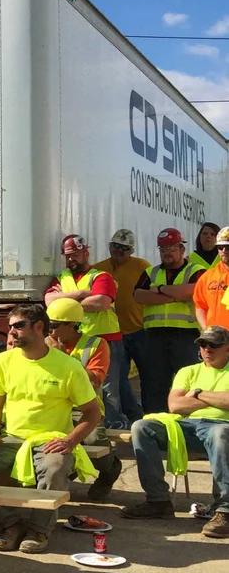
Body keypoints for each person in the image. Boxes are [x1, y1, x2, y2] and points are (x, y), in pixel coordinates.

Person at [0, 304, 101, 553]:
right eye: (10, 326)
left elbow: (92, 412)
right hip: (12, 439)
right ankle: (10, 525)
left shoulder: (68, 366)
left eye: (18, 326)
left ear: (39, 327)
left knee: (55, 466)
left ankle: (39, 530)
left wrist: (69, 441)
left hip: (51, 440)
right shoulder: (4, 360)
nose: (11, 332)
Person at [122, 325, 229, 537]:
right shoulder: (188, 371)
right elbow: (175, 405)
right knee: (142, 427)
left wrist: (196, 394)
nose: (207, 349)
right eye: (203, 344)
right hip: (186, 426)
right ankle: (158, 501)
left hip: (221, 429)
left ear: (227, 348)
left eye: (214, 345)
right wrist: (215, 400)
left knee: (220, 433)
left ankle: (225, 510)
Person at [45, 297, 123, 501]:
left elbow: (94, 382)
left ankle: (110, 468)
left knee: (93, 440)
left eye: (53, 325)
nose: (48, 330)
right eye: (46, 324)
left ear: (71, 325)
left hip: (85, 409)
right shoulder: (43, 344)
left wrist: (63, 359)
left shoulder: (96, 345)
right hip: (52, 405)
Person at [44, 235, 124, 427]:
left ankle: (112, 425)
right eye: (69, 255)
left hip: (103, 337)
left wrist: (63, 300)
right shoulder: (61, 277)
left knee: (108, 388)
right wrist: (80, 294)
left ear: (86, 254)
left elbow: (101, 302)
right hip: (74, 339)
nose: (72, 259)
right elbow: (48, 302)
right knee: (78, 381)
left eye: (77, 255)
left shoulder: (101, 276)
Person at [132, 228, 202, 414]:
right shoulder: (150, 272)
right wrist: (174, 295)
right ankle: (155, 423)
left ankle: (191, 422)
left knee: (190, 382)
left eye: (171, 248)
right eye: (163, 249)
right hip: (155, 337)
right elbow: (139, 295)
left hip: (186, 337)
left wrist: (160, 289)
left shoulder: (196, 270)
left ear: (181, 249)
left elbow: (193, 291)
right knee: (154, 383)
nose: (166, 253)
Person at [94, 229, 150, 424]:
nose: (119, 251)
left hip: (139, 330)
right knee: (119, 380)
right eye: (116, 246)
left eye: (125, 249)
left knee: (148, 377)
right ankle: (133, 416)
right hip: (114, 333)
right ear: (110, 247)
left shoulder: (142, 266)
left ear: (131, 251)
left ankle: (149, 417)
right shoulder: (98, 269)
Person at [194, 227, 229, 332]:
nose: (224, 251)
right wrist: (206, 330)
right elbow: (200, 306)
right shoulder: (207, 277)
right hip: (215, 339)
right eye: (220, 247)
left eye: (228, 247)